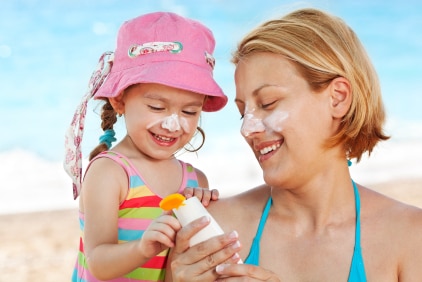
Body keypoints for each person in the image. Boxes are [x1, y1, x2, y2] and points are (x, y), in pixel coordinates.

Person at [165, 8, 422, 281]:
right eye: (243, 112)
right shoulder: (212, 229)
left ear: (338, 98)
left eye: (268, 103)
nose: (247, 128)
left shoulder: (409, 236)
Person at [63, 12, 227, 281]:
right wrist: (142, 248)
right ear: (119, 100)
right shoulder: (110, 172)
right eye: (157, 107)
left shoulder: (196, 180)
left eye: (189, 111)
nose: (173, 124)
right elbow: (98, 263)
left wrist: (205, 219)